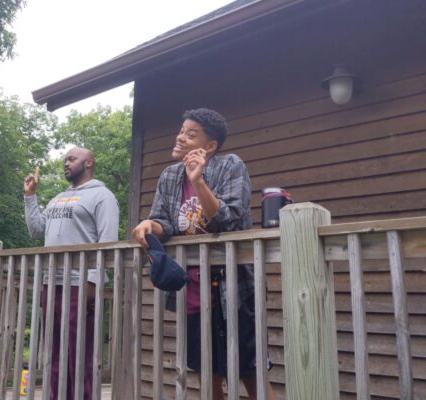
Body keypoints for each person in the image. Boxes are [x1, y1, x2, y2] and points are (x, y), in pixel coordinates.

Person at [131, 108, 275, 400]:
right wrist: (151, 225)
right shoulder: (169, 176)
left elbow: (229, 218)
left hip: (233, 288)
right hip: (192, 288)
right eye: (181, 131)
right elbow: (166, 222)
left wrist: (198, 181)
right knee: (208, 372)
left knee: (249, 369)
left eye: (191, 133)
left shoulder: (230, 165)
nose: (180, 137)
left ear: (210, 146)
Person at [23, 147, 119, 400]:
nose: (66, 163)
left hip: (79, 284)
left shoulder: (103, 196)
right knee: (53, 353)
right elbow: (37, 230)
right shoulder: (57, 198)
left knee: (80, 354)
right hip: (50, 282)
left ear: (89, 162)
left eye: (71, 159)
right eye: (65, 159)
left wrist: (93, 283)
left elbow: (107, 243)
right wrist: (30, 196)